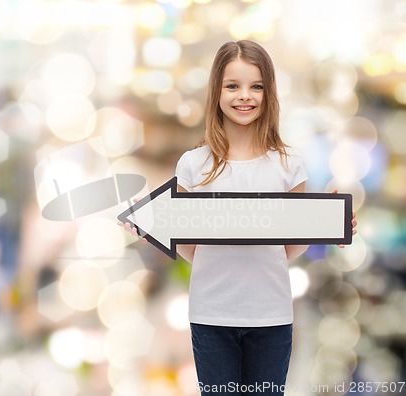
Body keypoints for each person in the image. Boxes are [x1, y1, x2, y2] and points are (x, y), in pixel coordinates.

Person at [121, 39, 357, 395]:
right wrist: (156, 224)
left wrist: (324, 221)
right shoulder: (193, 165)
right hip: (211, 316)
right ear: (216, 91)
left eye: (256, 86)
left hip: (272, 316)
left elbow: (289, 249)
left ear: (268, 93)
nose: (244, 96)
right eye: (232, 85)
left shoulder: (288, 164)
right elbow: (192, 247)